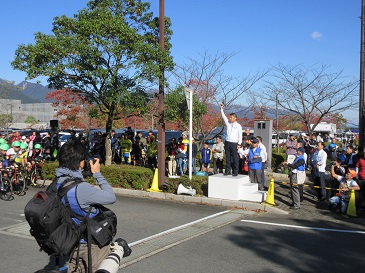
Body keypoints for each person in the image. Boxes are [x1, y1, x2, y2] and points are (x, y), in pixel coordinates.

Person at [55, 140, 129, 272]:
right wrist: (97, 174)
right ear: (80, 163)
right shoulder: (82, 189)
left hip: (72, 244)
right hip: (94, 245)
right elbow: (111, 197)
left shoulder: (57, 184)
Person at [220, 103, 242, 176]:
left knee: (235, 157)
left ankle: (235, 171)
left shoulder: (238, 126)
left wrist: (239, 143)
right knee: (228, 157)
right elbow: (224, 117)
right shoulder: (228, 124)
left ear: (235, 118)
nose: (230, 118)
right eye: (230, 117)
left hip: (234, 143)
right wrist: (221, 109)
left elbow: (240, 135)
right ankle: (227, 170)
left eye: (231, 117)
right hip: (227, 142)